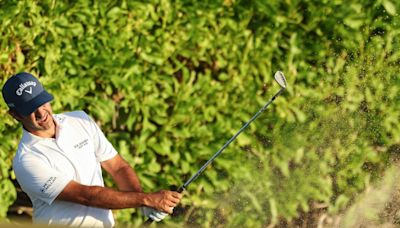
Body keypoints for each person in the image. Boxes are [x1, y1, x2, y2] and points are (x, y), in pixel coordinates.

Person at [1, 72, 182, 227]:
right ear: (15, 115)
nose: (41, 113)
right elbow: (87, 196)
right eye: (30, 109)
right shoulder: (26, 160)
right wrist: (146, 199)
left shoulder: (80, 120)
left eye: (42, 103)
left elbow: (117, 167)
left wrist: (144, 202)